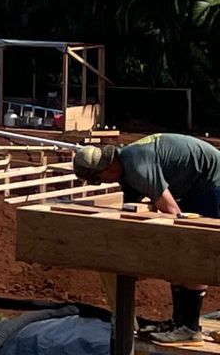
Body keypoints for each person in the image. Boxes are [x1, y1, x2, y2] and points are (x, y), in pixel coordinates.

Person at [73, 135, 217, 336]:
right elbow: (130, 217)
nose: (101, 183)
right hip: (194, 184)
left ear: (106, 168)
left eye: (97, 179)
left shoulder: (137, 167)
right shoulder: (127, 170)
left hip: (211, 182)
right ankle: (178, 323)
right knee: (177, 255)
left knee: (193, 252)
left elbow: (172, 212)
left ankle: (188, 328)